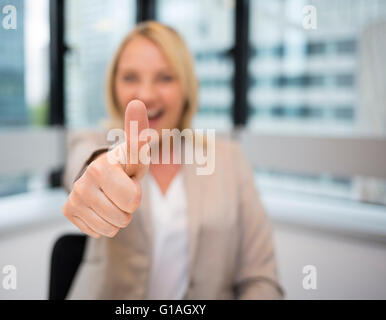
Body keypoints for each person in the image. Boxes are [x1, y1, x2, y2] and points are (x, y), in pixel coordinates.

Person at [61, 21, 284, 300]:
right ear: (113, 85)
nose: (146, 95)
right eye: (130, 77)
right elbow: (84, 167)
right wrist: (97, 174)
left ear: (186, 87)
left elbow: (261, 279)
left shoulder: (229, 159)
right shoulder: (94, 144)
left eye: (165, 77)